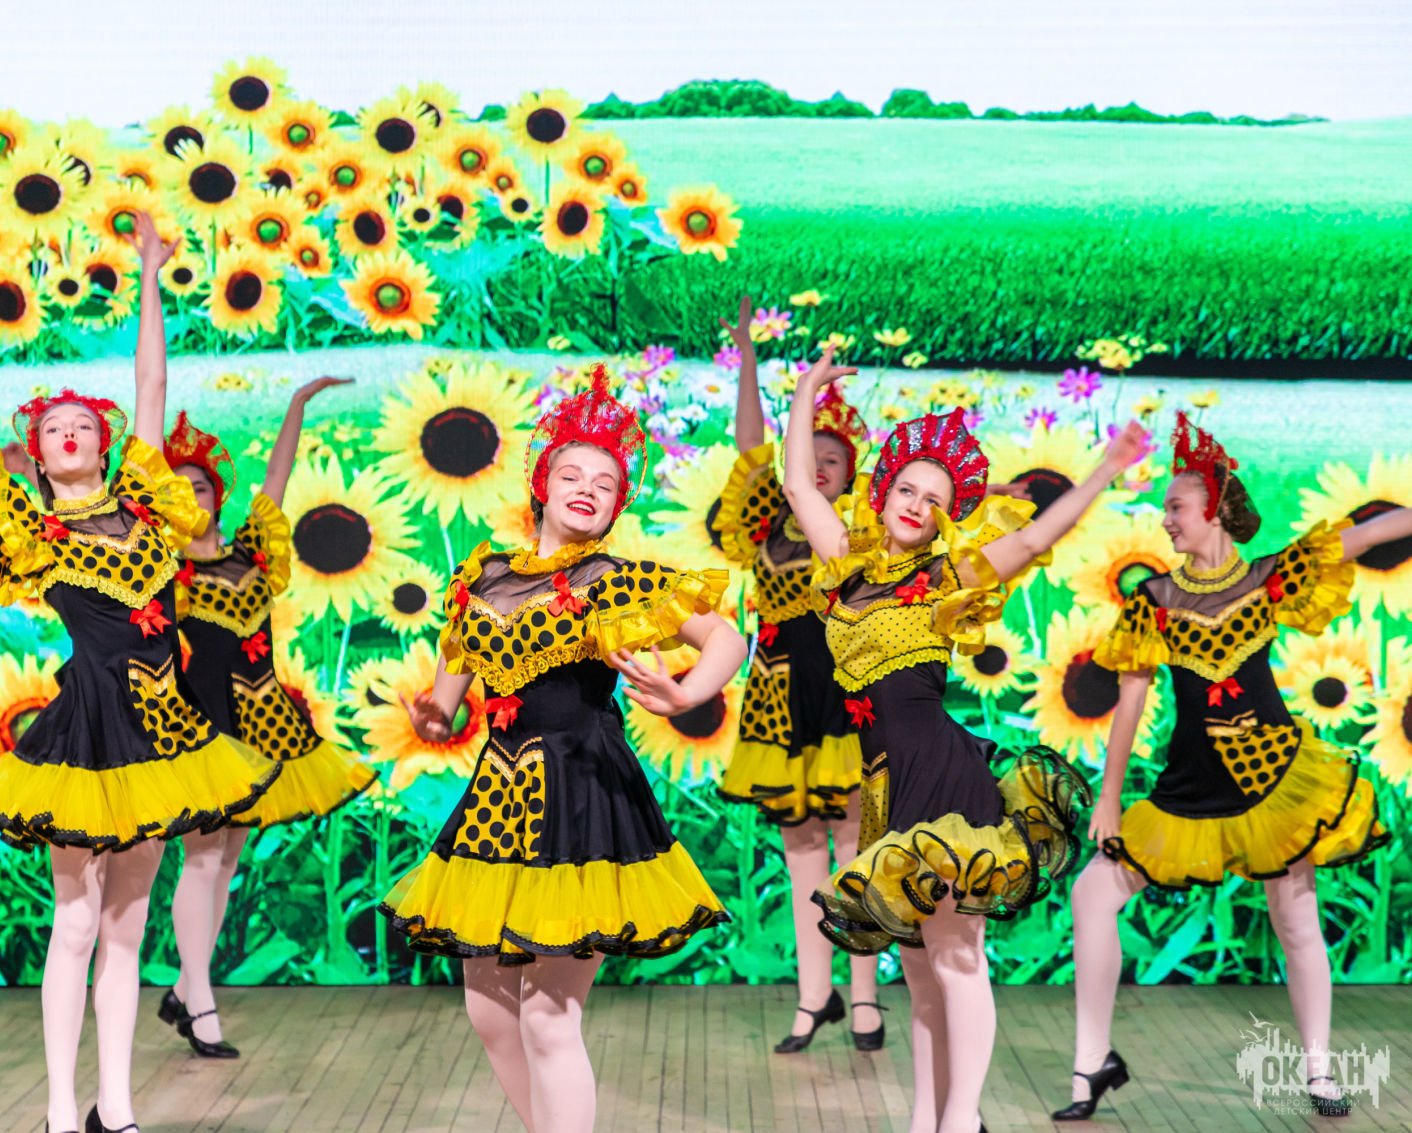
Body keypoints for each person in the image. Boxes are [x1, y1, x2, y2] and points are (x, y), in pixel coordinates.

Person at [0, 210, 277, 1133]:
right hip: (87, 734)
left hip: (164, 734)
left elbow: (151, 381)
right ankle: (63, 1109)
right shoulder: (35, 528)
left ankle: (118, 1105)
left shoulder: (146, 507)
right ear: (39, 450)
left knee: (125, 930)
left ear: (104, 443)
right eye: (53, 426)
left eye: (82, 424)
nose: (68, 431)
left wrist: (150, 272)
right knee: (73, 922)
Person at [784, 347, 1146, 1133]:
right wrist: (807, 389)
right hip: (885, 787)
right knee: (918, 973)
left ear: (949, 515)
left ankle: (959, 1119)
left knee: (955, 957)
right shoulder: (844, 565)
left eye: (935, 499)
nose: (917, 505)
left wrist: (1105, 469)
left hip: (944, 780)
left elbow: (1036, 538)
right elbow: (798, 486)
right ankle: (931, 1119)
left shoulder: (949, 578)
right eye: (907, 489)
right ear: (883, 492)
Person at [379, 363, 744, 1133]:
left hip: (581, 795)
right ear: (540, 485)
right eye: (572, 473)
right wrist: (434, 718)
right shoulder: (483, 579)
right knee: (487, 1008)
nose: (586, 488)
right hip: (498, 800)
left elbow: (725, 636)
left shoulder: (611, 579)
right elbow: (448, 697)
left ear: (617, 505)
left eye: (605, 483)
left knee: (549, 1015)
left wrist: (687, 692)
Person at [1055, 413, 1406, 1122]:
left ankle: (1318, 1069)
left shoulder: (1272, 577)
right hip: (1188, 788)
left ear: (1213, 507)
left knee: (1295, 921)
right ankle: (1091, 1064)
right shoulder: (1154, 600)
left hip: (1274, 781)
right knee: (1092, 897)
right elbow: (1130, 703)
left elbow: (1372, 532)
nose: (1166, 520)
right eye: (1165, 510)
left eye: (1176, 507)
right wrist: (1110, 796)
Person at [157, 395, 377, 1058]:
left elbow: (277, 477)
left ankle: (185, 987)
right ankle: (200, 1002)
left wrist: (299, 404)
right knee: (201, 861)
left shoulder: (254, 551)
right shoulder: (162, 574)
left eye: (199, 486)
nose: (190, 495)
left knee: (225, 863)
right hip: (201, 727)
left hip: (261, 722)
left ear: (217, 495)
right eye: (177, 489)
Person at [712, 297, 885, 1052]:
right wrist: (749, 356)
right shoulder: (764, 528)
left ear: (852, 472)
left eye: (832, 458)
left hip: (846, 694)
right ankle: (816, 996)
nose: (817, 466)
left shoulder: (862, 532)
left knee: (856, 847)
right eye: (807, 455)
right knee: (801, 850)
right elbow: (751, 446)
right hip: (780, 696)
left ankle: (867, 994)